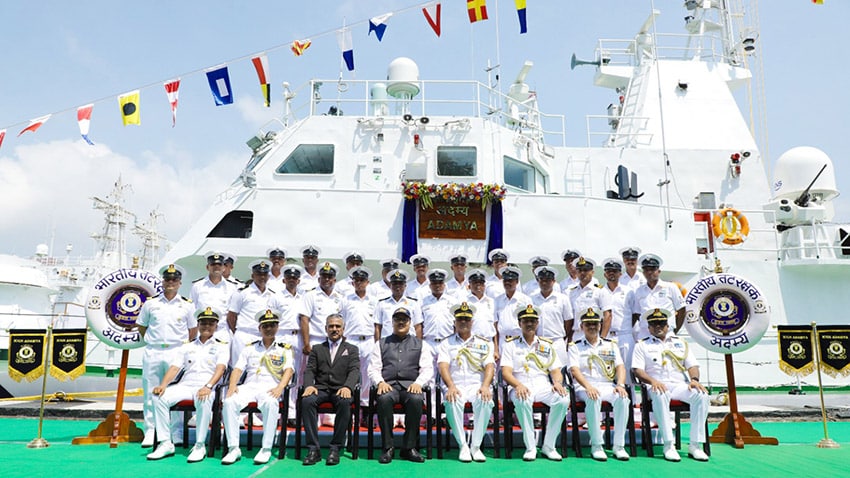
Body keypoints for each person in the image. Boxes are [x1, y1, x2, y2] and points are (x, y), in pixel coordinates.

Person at [146, 307, 229, 462]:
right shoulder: (187, 346)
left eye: (211, 324)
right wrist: (163, 385)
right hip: (186, 385)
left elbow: (221, 369)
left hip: (207, 386)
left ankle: (199, 445)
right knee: (158, 397)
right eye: (203, 323)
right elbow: (175, 367)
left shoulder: (222, 346)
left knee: (203, 399)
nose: (206, 326)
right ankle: (165, 443)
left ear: (216, 326)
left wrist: (208, 386)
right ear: (198, 325)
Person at [632, 308, 710, 462]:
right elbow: (637, 370)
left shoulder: (680, 343)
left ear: (667, 326)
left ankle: (695, 445)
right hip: (655, 385)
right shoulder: (642, 345)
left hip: (679, 384)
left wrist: (694, 380)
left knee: (701, 396)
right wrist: (653, 381)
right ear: (649, 328)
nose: (658, 327)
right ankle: (668, 445)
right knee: (661, 394)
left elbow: (692, 365)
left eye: (661, 323)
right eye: (654, 324)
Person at [221, 309, 295, 465]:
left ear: (277, 327)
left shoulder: (284, 349)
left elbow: (289, 370)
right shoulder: (250, 348)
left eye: (272, 325)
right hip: (249, 386)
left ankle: (266, 448)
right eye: (265, 326)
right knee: (229, 402)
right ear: (259, 328)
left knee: (270, 403)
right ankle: (233, 448)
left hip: (271, 386)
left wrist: (280, 387)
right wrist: (232, 386)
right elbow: (237, 369)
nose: (269, 329)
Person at [138, 264, 198, 448]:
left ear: (180, 283)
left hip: (176, 351)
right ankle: (151, 430)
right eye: (167, 279)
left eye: (174, 279)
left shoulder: (187, 305)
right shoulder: (151, 304)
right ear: (162, 282)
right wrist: (154, 340)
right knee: (151, 392)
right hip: (154, 350)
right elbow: (142, 326)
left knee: (175, 392)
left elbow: (193, 330)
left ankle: (176, 431)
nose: (170, 282)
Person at [500, 304, 570, 462]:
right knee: (523, 399)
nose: (529, 324)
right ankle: (530, 447)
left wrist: (558, 383)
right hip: (519, 384)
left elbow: (555, 370)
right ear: (519, 323)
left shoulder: (546, 345)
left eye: (532, 321)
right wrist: (518, 385)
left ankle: (549, 446)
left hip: (542, 385)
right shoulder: (510, 345)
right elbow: (506, 372)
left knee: (563, 399)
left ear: (537, 323)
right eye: (526, 321)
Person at [367, 307, 434, 464]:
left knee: (416, 399)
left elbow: (427, 369)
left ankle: (409, 447)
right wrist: (380, 382)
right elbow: (373, 368)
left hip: (410, 386)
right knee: (383, 399)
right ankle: (388, 447)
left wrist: (418, 383)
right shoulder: (381, 343)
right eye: (397, 319)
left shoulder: (421, 344)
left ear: (410, 322)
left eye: (404, 319)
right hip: (388, 386)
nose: (401, 322)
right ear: (392, 322)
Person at [567, 307, 630, 462]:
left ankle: (619, 446)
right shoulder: (575, 346)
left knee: (623, 399)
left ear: (600, 325)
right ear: (581, 327)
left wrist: (620, 385)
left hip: (607, 385)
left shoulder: (611, 345)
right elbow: (574, 370)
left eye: (595, 324)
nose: (592, 327)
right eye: (588, 324)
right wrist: (588, 387)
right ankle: (596, 445)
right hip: (584, 387)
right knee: (593, 397)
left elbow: (620, 367)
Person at [437, 302, 495, 463]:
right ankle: (462, 445)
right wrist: (450, 386)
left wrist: (485, 386)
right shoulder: (446, 343)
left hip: (476, 384)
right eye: (460, 319)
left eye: (467, 319)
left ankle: (475, 446)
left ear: (472, 322)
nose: (463, 322)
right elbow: (443, 366)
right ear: (454, 322)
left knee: (485, 400)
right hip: (455, 384)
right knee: (452, 400)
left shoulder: (484, 343)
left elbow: (489, 366)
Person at [301, 314, 361, 466]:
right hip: (321, 388)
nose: (334, 329)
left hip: (341, 389)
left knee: (345, 402)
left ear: (343, 329)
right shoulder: (317, 348)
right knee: (307, 401)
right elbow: (310, 370)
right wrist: (308, 386)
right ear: (326, 329)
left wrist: (348, 387)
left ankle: (335, 448)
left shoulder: (352, 349)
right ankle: (313, 449)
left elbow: (354, 370)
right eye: (331, 326)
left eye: (337, 326)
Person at [227, 259, 284, 366]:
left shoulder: (273, 295)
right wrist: (238, 331)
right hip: (244, 335)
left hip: (263, 337)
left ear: (268, 276)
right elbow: (231, 316)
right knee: (240, 368)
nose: (262, 277)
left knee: (260, 368)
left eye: (264, 274)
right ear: (253, 276)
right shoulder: (242, 293)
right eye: (259, 274)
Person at [340, 266, 377, 405]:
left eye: (362, 280)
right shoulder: (346, 300)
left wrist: (377, 343)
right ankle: (349, 402)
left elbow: (377, 324)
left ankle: (365, 404)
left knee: (368, 373)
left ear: (368, 282)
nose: (359, 283)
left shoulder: (374, 301)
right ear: (352, 283)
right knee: (349, 371)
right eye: (357, 280)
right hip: (351, 339)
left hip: (368, 340)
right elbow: (341, 322)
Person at [626, 254, 685, 341]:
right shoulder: (639, 291)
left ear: (659, 271)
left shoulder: (670, 287)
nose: (649, 272)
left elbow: (682, 310)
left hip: (666, 333)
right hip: (645, 334)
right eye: (646, 270)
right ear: (643, 272)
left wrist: (674, 330)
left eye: (652, 269)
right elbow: (638, 313)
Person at [599, 258, 636, 387]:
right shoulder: (600, 292)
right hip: (607, 337)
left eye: (615, 271)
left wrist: (627, 328)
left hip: (625, 336)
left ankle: (631, 399)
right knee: (607, 372)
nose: (611, 273)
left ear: (620, 274)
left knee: (627, 372)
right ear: (604, 274)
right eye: (609, 271)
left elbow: (635, 314)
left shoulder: (629, 292)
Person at [529, 265, 573, 364]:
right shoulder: (532, 299)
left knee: (560, 369)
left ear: (553, 281)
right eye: (542, 280)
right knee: (540, 369)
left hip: (557, 342)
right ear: (538, 281)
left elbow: (568, 321)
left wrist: (562, 336)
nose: (544, 283)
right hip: (539, 341)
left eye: (548, 280)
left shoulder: (562, 299)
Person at [298, 261, 344, 355]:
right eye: (324, 277)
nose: (327, 279)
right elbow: (304, 320)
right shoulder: (310, 295)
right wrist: (306, 343)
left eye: (330, 277)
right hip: (316, 340)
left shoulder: (340, 298)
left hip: (335, 342)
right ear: (319, 279)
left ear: (334, 280)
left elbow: (343, 321)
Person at [190, 251, 238, 335]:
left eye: (219, 264)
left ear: (223, 267)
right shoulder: (197, 286)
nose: (216, 267)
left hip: (223, 333)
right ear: (207, 267)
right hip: (202, 332)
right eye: (213, 264)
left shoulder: (232, 288)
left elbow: (233, 314)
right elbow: (192, 311)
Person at [566, 257, 612, 342]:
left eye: (586, 270)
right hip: (577, 335)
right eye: (579, 270)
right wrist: (569, 338)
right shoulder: (572, 292)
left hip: (594, 334)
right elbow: (571, 318)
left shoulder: (600, 291)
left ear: (592, 272)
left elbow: (607, 315)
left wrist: (603, 338)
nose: (582, 273)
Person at [493, 266, 530, 362]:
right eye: (505, 280)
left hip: (519, 341)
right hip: (502, 342)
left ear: (517, 282)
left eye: (510, 280)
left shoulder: (525, 300)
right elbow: (495, 325)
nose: (507, 283)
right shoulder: (497, 300)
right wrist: (496, 348)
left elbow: (530, 324)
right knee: (502, 370)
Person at [374, 269, 423, 339]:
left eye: (400, 284)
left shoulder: (413, 303)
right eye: (394, 284)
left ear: (405, 286)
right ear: (390, 286)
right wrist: (378, 343)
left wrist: (417, 343)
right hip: (387, 342)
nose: (397, 287)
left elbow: (418, 326)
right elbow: (378, 327)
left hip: (408, 342)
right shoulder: (382, 304)